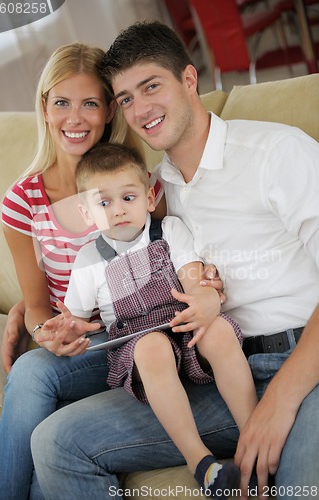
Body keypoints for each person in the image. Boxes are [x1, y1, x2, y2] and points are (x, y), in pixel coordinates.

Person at [30, 21, 319, 500]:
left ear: (189, 79)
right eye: (125, 98)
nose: (140, 110)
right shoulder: (149, 195)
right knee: (57, 442)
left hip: (303, 363)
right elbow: (119, 278)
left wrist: (282, 399)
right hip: (219, 371)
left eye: (151, 86)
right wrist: (41, 309)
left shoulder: (276, 152)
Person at [0, 41, 166, 500]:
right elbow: (37, 305)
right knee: (34, 369)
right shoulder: (22, 202)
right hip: (80, 346)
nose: (75, 118)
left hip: (139, 337)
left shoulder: (134, 181)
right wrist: (48, 331)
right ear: (44, 108)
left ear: (109, 110)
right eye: (62, 102)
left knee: (30, 374)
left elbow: (162, 259)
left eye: (90, 103)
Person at [43, 142, 257, 498]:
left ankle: (255, 437)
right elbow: (77, 319)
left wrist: (202, 298)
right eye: (104, 202)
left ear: (149, 196)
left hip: (183, 324)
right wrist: (70, 328)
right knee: (152, 347)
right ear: (85, 213)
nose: (118, 210)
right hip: (139, 345)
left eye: (128, 197)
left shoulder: (169, 231)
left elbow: (192, 280)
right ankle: (201, 463)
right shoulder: (87, 260)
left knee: (216, 329)